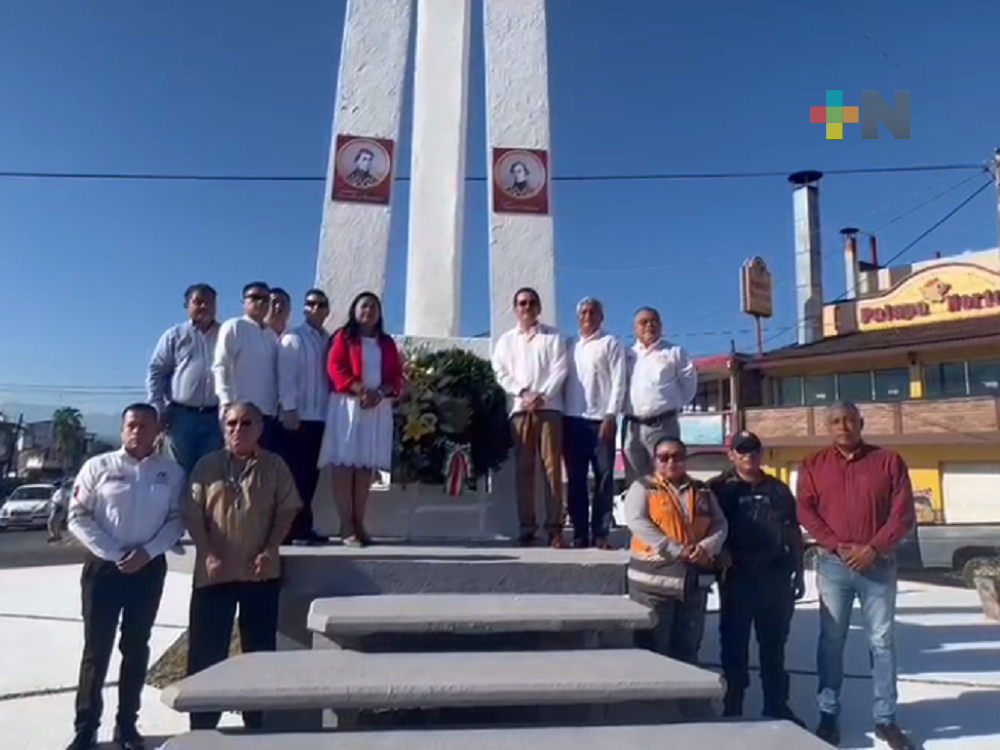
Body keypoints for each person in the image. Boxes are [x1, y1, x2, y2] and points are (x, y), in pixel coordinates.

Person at [797, 401, 916, 750]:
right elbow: (805, 511)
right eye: (836, 421)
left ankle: (885, 720)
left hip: (878, 565)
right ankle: (828, 715)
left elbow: (903, 513)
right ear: (828, 427)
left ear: (861, 423)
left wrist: (874, 548)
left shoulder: (888, 461)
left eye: (849, 420)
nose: (843, 426)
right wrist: (835, 545)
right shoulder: (813, 465)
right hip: (834, 566)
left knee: (881, 642)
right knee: (831, 641)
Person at [66, 404, 185, 750]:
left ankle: (127, 727)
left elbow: (177, 520)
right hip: (104, 568)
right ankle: (86, 729)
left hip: (148, 569)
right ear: (121, 431)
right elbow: (77, 516)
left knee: (136, 648)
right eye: (131, 426)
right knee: (96, 650)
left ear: (157, 431)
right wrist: (117, 553)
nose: (137, 432)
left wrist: (148, 552)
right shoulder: (98, 467)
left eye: (145, 426)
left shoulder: (171, 473)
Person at [183, 401, 301, 731]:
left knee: (259, 653)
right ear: (223, 429)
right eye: (231, 423)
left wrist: (270, 549)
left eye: (246, 423)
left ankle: (256, 723)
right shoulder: (206, 467)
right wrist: (208, 553)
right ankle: (203, 726)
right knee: (206, 653)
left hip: (259, 574)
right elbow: (193, 515)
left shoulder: (275, 466)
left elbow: (287, 510)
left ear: (260, 429)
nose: (238, 430)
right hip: (214, 574)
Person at [709, 431, 805, 725]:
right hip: (737, 577)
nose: (749, 456)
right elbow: (706, 529)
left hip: (774, 576)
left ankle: (776, 703)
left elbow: (792, 530)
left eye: (754, 451)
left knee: (774, 645)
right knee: (734, 645)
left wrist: (798, 571)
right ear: (732, 455)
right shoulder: (718, 488)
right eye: (743, 451)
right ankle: (733, 704)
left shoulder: (777, 489)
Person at [625, 437, 727, 665]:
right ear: (655, 461)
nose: (671, 462)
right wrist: (674, 549)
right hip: (652, 588)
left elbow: (720, 524)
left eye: (678, 457)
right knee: (651, 654)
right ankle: (652, 702)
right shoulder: (642, 487)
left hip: (692, 586)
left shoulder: (701, 490)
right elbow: (637, 521)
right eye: (664, 457)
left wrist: (706, 547)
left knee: (687, 651)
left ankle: (685, 702)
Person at [318, 292, 402, 547]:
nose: (368, 310)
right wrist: (361, 390)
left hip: (376, 406)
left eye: (373, 306)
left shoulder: (386, 343)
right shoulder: (344, 337)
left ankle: (359, 521)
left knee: (365, 466)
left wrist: (381, 392)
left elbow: (396, 375)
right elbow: (334, 368)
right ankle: (345, 524)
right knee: (345, 464)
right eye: (364, 306)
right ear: (355, 310)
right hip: (348, 405)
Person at [491, 287, 568, 547]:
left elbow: (560, 369)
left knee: (552, 469)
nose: (526, 307)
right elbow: (500, 372)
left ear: (539, 307)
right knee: (524, 470)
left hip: (549, 409)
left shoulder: (554, 337)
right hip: (520, 410)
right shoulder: (506, 341)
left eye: (531, 302)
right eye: (522, 303)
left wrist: (541, 395)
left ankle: (555, 528)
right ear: (515, 309)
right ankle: (527, 527)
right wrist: (523, 392)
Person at [562, 296, 626, 549]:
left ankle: (601, 533)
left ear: (601, 317)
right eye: (584, 312)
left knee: (604, 477)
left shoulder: (611, 343)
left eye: (593, 312)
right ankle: (579, 532)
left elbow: (619, 381)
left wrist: (611, 415)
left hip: (601, 421)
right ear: (578, 317)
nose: (588, 316)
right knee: (576, 479)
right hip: (573, 420)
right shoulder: (570, 345)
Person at [146, 283, 222, 476]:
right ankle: (178, 508)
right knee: (178, 473)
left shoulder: (226, 335)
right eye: (198, 302)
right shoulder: (174, 335)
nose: (204, 306)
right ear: (187, 305)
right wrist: (158, 407)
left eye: (209, 302)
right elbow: (157, 372)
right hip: (181, 417)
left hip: (216, 417)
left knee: (211, 473)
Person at [277, 289, 332, 545]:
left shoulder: (328, 340)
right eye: (311, 304)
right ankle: (288, 529)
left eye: (321, 305)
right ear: (304, 309)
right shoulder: (293, 338)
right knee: (295, 476)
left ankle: (303, 526)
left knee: (311, 477)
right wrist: (289, 409)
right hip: (297, 418)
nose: (316, 309)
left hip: (321, 418)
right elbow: (285, 376)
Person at [622, 307, 697, 484]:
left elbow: (689, 386)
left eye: (654, 321)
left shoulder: (675, 352)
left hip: (663, 425)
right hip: (632, 428)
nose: (649, 325)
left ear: (661, 326)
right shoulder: (627, 355)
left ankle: (668, 512)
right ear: (634, 328)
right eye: (643, 322)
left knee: (668, 477)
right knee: (637, 482)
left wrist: (667, 407)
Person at [212, 281, 280, 449]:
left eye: (266, 299)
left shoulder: (271, 335)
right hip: (239, 413)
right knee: (236, 466)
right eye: (255, 297)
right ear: (244, 302)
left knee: (261, 467)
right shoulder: (234, 326)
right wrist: (227, 402)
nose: (261, 302)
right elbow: (221, 365)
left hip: (266, 414)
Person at [48, 478, 71, 543]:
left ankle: (54, 536)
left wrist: (57, 507)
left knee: (51, 522)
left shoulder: (61, 491)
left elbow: (60, 500)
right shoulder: (60, 491)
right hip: (58, 508)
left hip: (58, 508)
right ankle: (57, 536)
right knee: (57, 523)